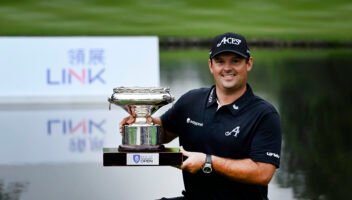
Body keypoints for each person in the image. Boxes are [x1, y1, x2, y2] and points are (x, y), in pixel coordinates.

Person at [120, 32, 282, 200]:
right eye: (220, 61)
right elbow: (164, 133)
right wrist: (142, 124)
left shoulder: (264, 114)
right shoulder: (192, 100)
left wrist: (208, 162)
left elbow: (263, 173)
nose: (227, 68)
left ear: (249, 63)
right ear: (211, 65)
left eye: (235, 61)